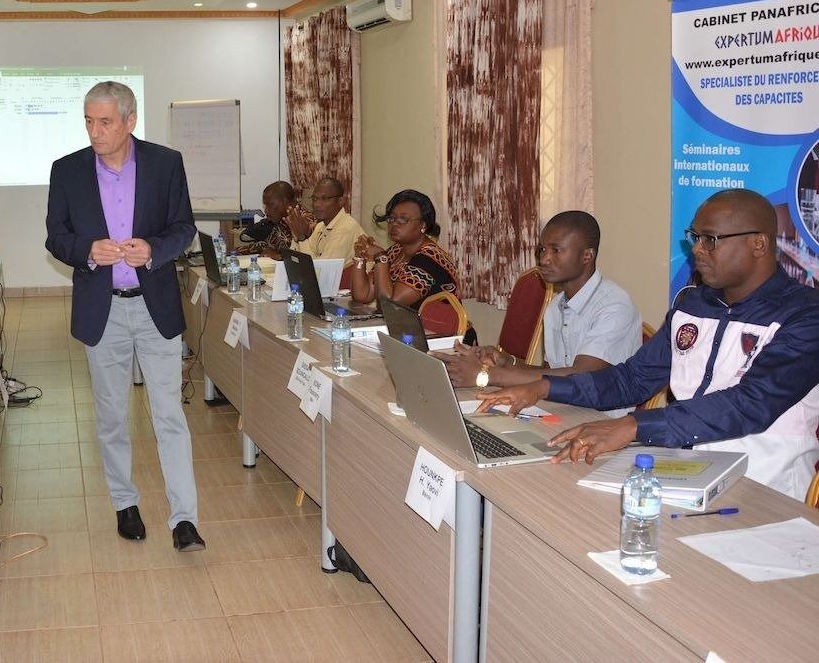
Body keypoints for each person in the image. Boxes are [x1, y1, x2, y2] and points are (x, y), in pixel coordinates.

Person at [478, 189, 819, 501]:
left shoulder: (804, 315)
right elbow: (632, 379)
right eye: (695, 237)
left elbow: (750, 404)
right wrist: (544, 386)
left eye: (710, 240)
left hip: (764, 487)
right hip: (683, 472)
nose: (697, 249)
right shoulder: (693, 305)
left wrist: (634, 426)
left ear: (758, 244)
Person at [45, 81, 204, 552]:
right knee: (112, 416)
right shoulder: (67, 170)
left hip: (156, 307)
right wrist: (86, 250)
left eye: (105, 122)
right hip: (104, 309)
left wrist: (153, 249)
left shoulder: (165, 163)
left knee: (169, 414)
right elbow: (56, 236)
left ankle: (185, 519)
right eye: (88, 121)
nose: (95, 131)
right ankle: (125, 503)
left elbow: (184, 227)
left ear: (130, 121)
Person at [440, 211, 641, 392]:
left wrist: (486, 375)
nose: (544, 259)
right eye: (542, 249)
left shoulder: (614, 307)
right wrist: (506, 362)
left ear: (587, 256)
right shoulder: (556, 306)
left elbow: (582, 377)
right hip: (562, 404)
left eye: (556, 250)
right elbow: (550, 373)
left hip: (601, 416)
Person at [350, 189, 461, 308]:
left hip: (434, 320)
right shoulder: (396, 250)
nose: (394, 224)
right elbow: (363, 295)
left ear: (423, 225)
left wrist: (381, 257)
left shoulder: (429, 259)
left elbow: (390, 304)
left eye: (403, 219)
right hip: (403, 320)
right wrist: (360, 257)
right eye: (391, 218)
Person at [285, 176, 367, 266]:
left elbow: (322, 269)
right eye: (314, 199)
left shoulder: (346, 228)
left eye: (324, 199)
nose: (316, 204)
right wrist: (296, 236)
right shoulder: (321, 225)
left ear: (341, 201)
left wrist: (302, 238)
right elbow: (295, 260)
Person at [237, 181, 296, 259]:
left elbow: (304, 258)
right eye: (265, 206)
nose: (266, 211)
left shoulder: (305, 222)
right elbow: (265, 245)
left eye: (270, 205)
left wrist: (278, 257)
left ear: (285, 202)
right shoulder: (281, 220)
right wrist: (234, 253)